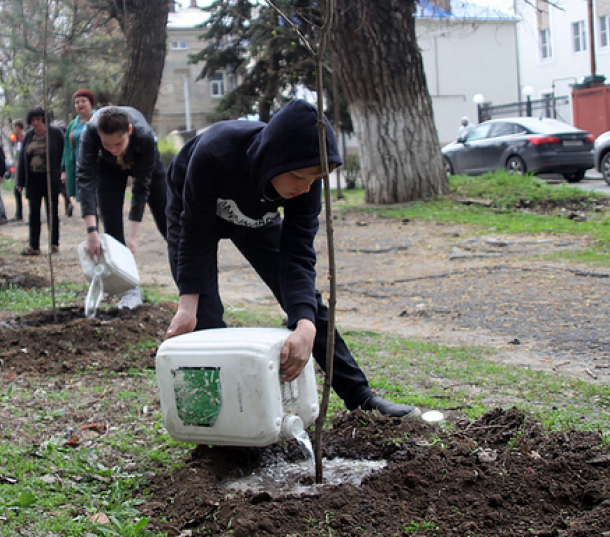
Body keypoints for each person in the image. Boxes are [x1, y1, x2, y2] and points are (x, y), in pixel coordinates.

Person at [165, 99, 421, 419]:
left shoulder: (306, 183)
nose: (307, 187)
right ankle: (218, 418)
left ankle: (361, 397)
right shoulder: (215, 153)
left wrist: (305, 324)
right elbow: (195, 234)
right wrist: (188, 304)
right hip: (193, 209)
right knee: (202, 310)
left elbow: (298, 253)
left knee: (307, 304)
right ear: (276, 160)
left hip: (255, 216)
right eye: (301, 176)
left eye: (316, 179)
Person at [77, 106, 168, 310]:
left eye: (118, 143)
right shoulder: (90, 133)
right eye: (107, 144)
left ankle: (188, 286)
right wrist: (92, 232)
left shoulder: (144, 136)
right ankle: (129, 290)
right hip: (108, 169)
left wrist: (133, 236)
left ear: (129, 131)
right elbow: (85, 180)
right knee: (111, 226)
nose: (114, 148)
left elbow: (141, 186)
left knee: (169, 223)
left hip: (143, 163)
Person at [16, 105, 64, 255]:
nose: (36, 123)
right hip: (33, 178)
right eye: (32, 120)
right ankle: (34, 245)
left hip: (50, 178)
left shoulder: (55, 133)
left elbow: (64, 154)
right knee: (33, 212)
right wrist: (20, 181)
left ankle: (54, 243)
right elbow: (22, 159)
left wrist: (63, 172)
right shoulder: (28, 136)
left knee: (52, 211)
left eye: (38, 119)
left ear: (44, 119)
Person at [60, 89, 96, 219]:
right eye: (77, 102)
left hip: (97, 167)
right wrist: (64, 170)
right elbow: (67, 149)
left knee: (100, 202)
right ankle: (93, 233)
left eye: (83, 101)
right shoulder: (73, 125)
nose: (80, 104)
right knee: (87, 203)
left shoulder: (99, 119)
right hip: (79, 168)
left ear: (91, 103)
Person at [10, 119, 26, 221]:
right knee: (16, 191)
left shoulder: (24, 138)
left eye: (13, 127)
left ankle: (20, 214)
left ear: (18, 127)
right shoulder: (18, 139)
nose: (13, 130)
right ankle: (18, 214)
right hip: (19, 168)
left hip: (24, 169)